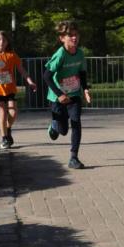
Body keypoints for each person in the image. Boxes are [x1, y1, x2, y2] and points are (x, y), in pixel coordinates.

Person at [43, 20, 93, 170]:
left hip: (74, 94)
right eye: (70, 35)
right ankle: (54, 125)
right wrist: (59, 95)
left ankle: (74, 157)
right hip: (57, 96)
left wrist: (85, 89)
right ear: (62, 38)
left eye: (76, 35)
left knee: (76, 121)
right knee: (63, 130)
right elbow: (46, 76)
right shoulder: (60, 54)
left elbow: (82, 73)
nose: (74, 38)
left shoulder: (80, 53)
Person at [0, 30, 37, 149]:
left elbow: (22, 70)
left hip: (10, 89)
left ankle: (7, 128)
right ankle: (4, 138)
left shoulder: (12, 55)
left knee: (13, 112)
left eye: (4, 40)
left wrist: (30, 82)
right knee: (3, 113)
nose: (1, 42)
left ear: (7, 43)